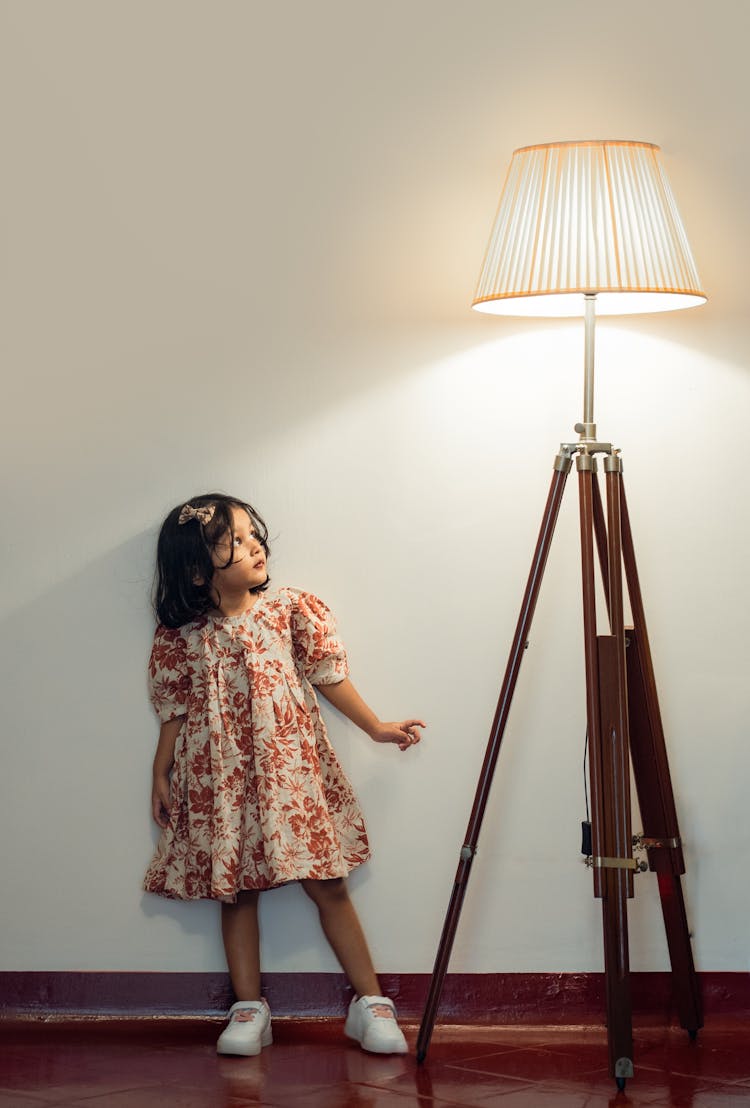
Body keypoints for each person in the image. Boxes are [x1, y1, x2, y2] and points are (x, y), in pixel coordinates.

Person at [144, 492, 425, 1057]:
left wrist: (374, 728)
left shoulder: (289, 610)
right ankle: (249, 1008)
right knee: (237, 892)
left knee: (327, 882)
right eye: (234, 543)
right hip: (218, 776)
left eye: (253, 536)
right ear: (199, 570)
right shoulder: (183, 637)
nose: (254, 548)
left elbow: (328, 676)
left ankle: (369, 1002)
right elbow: (174, 708)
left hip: (289, 770)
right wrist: (161, 771)